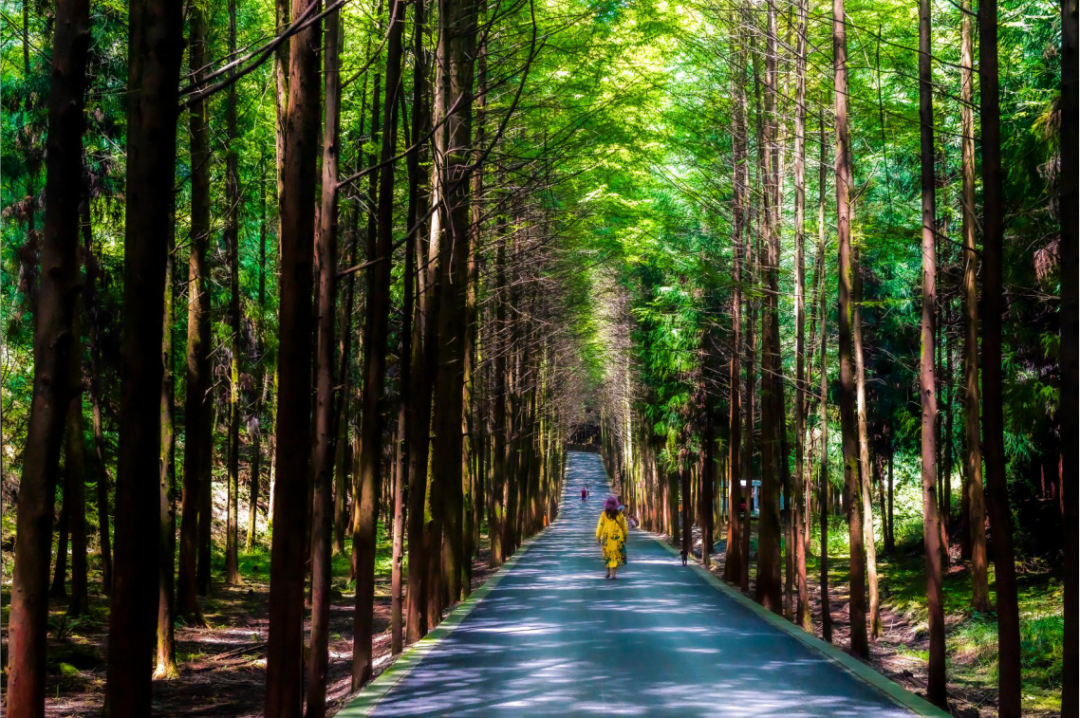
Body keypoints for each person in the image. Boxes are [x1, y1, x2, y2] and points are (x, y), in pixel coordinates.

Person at [595, 496, 628, 580]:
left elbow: (600, 526)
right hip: (617, 537)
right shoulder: (619, 515)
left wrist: (598, 536)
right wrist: (625, 536)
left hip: (606, 538)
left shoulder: (603, 515)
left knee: (607, 555)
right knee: (616, 555)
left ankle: (608, 572)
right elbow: (624, 527)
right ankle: (613, 574)